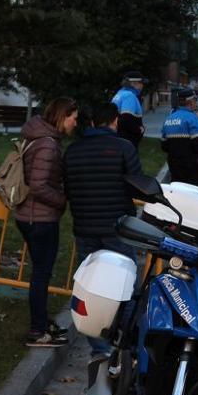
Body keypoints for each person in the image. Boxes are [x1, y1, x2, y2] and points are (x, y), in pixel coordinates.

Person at [62, 102, 143, 358]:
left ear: (92, 122)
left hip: (84, 228)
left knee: (92, 288)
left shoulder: (73, 151)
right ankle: (125, 341)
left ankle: (99, 347)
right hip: (117, 228)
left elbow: (68, 187)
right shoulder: (123, 148)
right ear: (115, 121)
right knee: (126, 286)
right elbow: (137, 184)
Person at [15, 97, 78, 347]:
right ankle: (37, 330)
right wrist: (61, 201)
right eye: (73, 117)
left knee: (41, 271)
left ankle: (42, 322)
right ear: (62, 117)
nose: (75, 123)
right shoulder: (48, 145)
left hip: (30, 216)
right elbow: (39, 185)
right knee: (41, 273)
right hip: (39, 218)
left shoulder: (38, 137)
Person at [160, 87, 198, 187]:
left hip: (174, 166)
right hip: (192, 168)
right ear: (190, 102)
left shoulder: (168, 119)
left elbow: (164, 146)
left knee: (178, 193)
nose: (196, 103)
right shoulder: (192, 119)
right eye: (195, 100)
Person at [111, 73, 146, 150]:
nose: (142, 86)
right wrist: (139, 130)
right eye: (141, 83)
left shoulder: (120, 93)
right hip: (127, 141)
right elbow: (126, 119)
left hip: (117, 138)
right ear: (134, 83)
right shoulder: (129, 96)